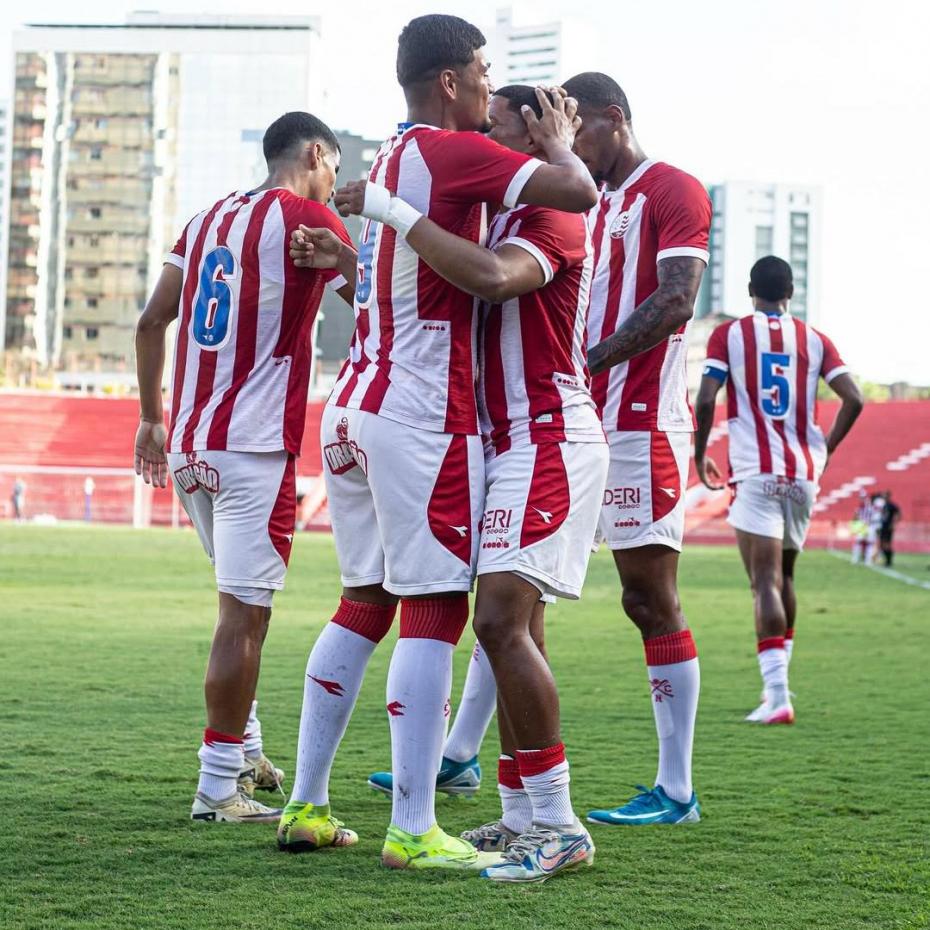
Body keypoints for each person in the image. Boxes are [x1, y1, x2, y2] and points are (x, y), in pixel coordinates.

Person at [275, 14, 597, 874]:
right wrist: (562, 146)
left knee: (368, 602)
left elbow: (447, 277)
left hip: (356, 402)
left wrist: (354, 252)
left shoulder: (391, 158)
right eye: (484, 74)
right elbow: (574, 193)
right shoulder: (456, 156)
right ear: (451, 82)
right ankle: (417, 825)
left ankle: (308, 802)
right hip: (424, 416)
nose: (491, 93)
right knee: (439, 612)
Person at [133, 111, 355, 824]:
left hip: (191, 444)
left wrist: (151, 418)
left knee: (239, 606)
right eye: (335, 167)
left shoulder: (202, 222)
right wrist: (353, 261)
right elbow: (385, 305)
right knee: (244, 618)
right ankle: (216, 788)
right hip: (253, 447)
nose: (335, 182)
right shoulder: (311, 221)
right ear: (315, 155)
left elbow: (151, 320)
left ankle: (248, 751)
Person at [558, 72, 711, 827]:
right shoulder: (588, 200)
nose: (570, 143)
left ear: (612, 119)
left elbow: (678, 299)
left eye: (577, 127)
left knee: (648, 598)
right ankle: (457, 754)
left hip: (639, 424)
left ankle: (676, 790)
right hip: (575, 419)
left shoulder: (672, 188)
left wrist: (589, 359)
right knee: (516, 587)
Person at [694, 256, 863, 724]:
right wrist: (825, 449)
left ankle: (777, 695)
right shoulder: (815, 339)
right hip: (802, 474)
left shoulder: (729, 334)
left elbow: (706, 398)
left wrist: (700, 452)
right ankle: (778, 688)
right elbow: (854, 398)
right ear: (790, 292)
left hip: (756, 471)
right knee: (785, 578)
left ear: (751, 291)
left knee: (763, 581)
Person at [879, 491, 901, 566]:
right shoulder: (884, 505)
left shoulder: (892, 505)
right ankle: (886, 560)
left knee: (887, 544)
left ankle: (889, 561)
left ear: (888, 496)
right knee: (882, 544)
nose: (884, 497)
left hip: (888, 527)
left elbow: (898, 514)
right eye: (883, 496)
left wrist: (894, 523)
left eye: (885, 496)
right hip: (883, 527)